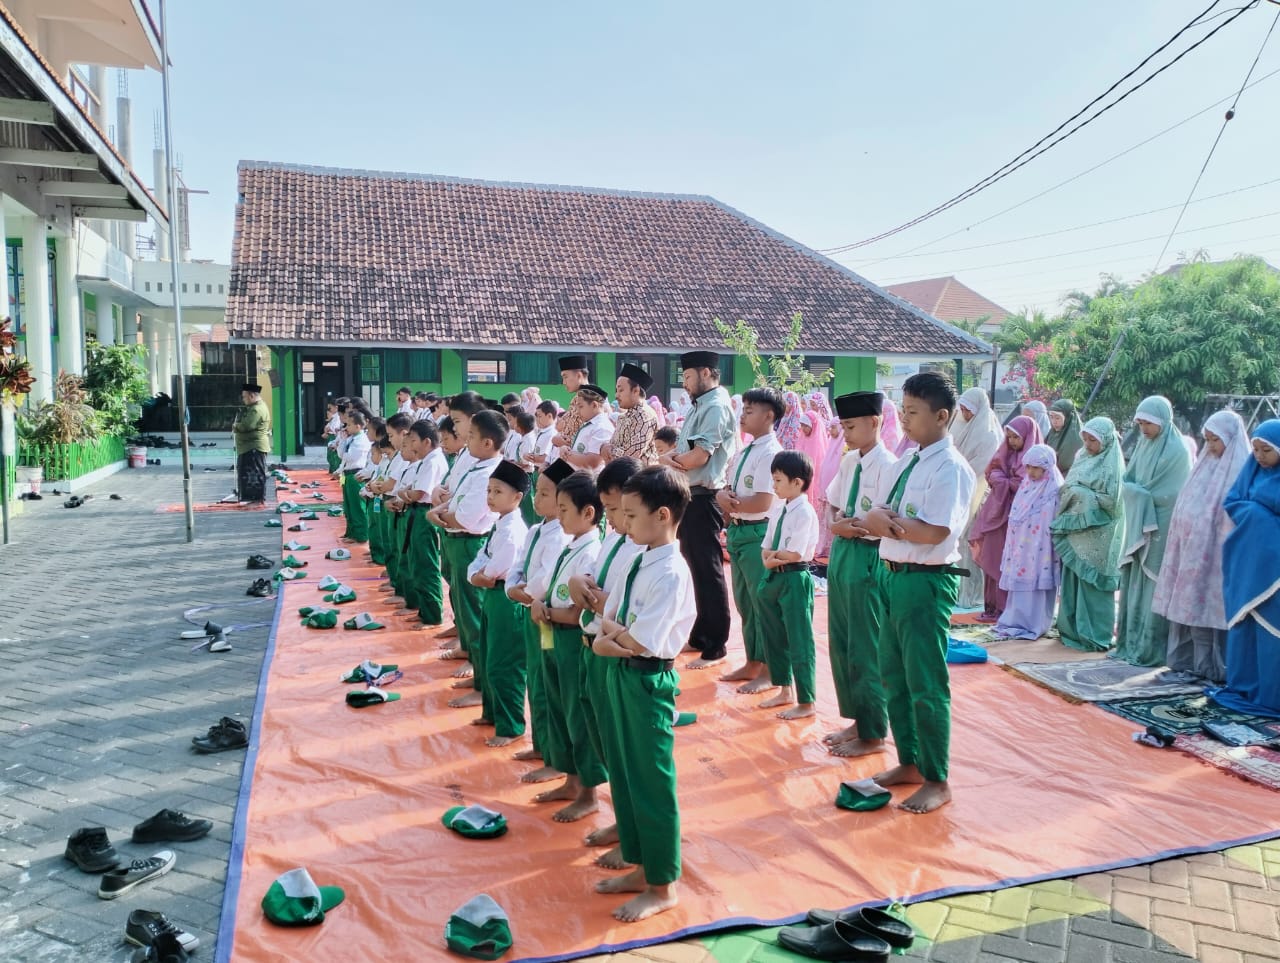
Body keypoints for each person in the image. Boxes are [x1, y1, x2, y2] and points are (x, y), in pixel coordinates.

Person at [862, 372, 974, 814]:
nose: (903, 421)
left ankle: (937, 777)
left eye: (912, 413)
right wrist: (880, 518)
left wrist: (883, 523)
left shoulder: (951, 467)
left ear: (941, 416)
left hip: (924, 581)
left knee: (926, 681)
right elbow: (888, 508)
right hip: (893, 573)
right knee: (894, 673)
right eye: (902, 411)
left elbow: (934, 532)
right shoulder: (912, 459)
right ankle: (909, 760)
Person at [592, 466, 696, 923]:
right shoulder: (638, 557)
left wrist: (609, 636)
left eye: (631, 515)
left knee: (652, 782)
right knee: (627, 772)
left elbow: (639, 639)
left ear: (664, 515)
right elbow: (612, 615)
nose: (624, 524)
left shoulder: (671, 571)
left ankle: (663, 883)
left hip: (648, 678)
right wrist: (613, 634)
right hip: (621, 672)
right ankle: (639, 862)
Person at [569, 456, 644, 869]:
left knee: (624, 749)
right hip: (594, 644)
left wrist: (603, 604)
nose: (612, 519)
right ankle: (623, 821)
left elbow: (628, 612)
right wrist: (580, 584)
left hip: (618, 656)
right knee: (601, 736)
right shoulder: (616, 539)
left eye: (618, 510)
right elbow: (592, 579)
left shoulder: (648, 552)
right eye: (610, 509)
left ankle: (637, 839)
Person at [823, 390, 897, 758]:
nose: (846, 434)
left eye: (851, 426)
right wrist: (838, 523)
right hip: (842, 555)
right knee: (842, 640)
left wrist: (851, 526)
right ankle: (857, 717)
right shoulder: (850, 461)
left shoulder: (889, 466)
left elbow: (881, 519)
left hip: (868, 556)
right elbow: (834, 503)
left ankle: (874, 731)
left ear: (875, 423)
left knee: (866, 645)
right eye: (843, 426)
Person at [1152, 409, 1249, 681]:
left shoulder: (1239, 471)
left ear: (1230, 439)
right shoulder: (1203, 466)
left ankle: (1215, 669)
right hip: (1191, 556)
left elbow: (1232, 516)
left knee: (1210, 614)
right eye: (1207, 439)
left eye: (1215, 440)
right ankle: (1191, 663)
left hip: (1217, 559)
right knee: (1189, 610)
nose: (1211, 446)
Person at [529, 470, 605, 821]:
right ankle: (572, 779)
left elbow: (578, 613)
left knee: (578, 714)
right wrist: (539, 603)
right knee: (560, 706)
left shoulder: (592, 551)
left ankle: (588, 791)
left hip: (572, 640)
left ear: (588, 512)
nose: (557, 516)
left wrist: (546, 611)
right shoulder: (571, 544)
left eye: (564, 509)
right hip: (553, 634)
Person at [659, 351, 737, 668]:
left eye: (688, 376)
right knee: (693, 569)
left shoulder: (716, 406)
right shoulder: (699, 406)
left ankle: (716, 644)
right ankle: (701, 634)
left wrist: (668, 461)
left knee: (708, 569)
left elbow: (698, 457)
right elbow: (682, 453)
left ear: (706, 373)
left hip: (705, 495)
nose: (685, 383)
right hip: (690, 493)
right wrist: (674, 460)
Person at [427, 405, 503, 691]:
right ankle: (470, 651)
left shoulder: (488, 472)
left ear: (486, 442)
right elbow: (452, 493)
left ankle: (480, 675)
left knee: (473, 608)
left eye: (468, 433)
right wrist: (440, 506)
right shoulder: (472, 461)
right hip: (454, 535)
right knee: (461, 599)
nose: (463, 438)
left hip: (469, 541)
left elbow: (468, 519)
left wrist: (437, 515)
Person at [507, 458, 573, 783]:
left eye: (547, 494)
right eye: (539, 491)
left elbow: (546, 579)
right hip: (530, 610)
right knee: (535, 677)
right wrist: (513, 587)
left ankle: (557, 756)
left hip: (545, 615)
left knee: (549, 685)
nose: (538, 499)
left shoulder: (562, 535)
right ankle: (541, 743)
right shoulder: (536, 529)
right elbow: (520, 564)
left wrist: (527, 594)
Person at [1114, 396, 1193, 667]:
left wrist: (1137, 493)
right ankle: (1129, 642)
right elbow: (1129, 481)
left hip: (1162, 528)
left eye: (1148, 423)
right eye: (1140, 423)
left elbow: (1172, 495)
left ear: (1163, 421)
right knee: (1135, 581)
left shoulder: (1177, 452)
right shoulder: (1143, 446)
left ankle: (1150, 647)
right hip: (1140, 524)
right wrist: (1135, 492)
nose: (1144, 429)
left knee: (1155, 583)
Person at [1209, 420, 1280, 717]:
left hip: (1275, 570)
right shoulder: (1251, 470)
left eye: (1267, 450)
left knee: (1271, 629)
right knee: (1244, 625)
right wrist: (1256, 513)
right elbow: (1233, 500)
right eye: (1255, 449)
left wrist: (1259, 513)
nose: (1260, 456)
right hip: (1245, 562)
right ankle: (1244, 687)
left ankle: (1271, 695)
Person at [716, 387, 784, 693]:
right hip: (740, 531)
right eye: (743, 409)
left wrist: (731, 503)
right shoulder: (747, 450)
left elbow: (761, 502)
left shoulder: (771, 453)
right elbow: (733, 490)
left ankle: (772, 670)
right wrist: (724, 498)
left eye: (750, 410)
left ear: (769, 416)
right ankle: (754, 661)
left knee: (763, 604)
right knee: (746, 602)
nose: (742, 415)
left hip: (759, 532)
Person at [752, 451, 819, 720]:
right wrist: (771, 559)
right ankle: (784, 688)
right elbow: (766, 547)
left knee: (799, 638)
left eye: (778, 480)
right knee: (774, 635)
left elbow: (793, 554)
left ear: (797, 483)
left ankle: (807, 699)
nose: (774, 486)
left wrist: (772, 559)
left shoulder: (804, 512)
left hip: (793, 577)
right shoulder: (780, 510)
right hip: (774, 576)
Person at [467, 460, 531, 746]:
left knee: (505, 664)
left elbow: (494, 570)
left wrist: (482, 575)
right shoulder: (498, 525)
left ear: (517, 498)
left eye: (497, 492)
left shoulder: (513, 531)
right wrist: (477, 576)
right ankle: (493, 713)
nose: (490, 497)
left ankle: (511, 725)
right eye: (489, 491)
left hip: (507, 599)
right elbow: (479, 562)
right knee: (489, 657)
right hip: (493, 596)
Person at [1051, 417, 1126, 652]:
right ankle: (1071, 630)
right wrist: (1073, 491)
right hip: (1077, 533)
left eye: (1093, 440)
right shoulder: (1083, 457)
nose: (1088, 444)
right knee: (1073, 581)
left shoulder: (1113, 464)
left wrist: (1081, 494)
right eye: (1086, 439)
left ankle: (1095, 634)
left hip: (1100, 535)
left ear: (1105, 440)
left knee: (1093, 584)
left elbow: (1113, 502)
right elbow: (1068, 485)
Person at [970, 416, 1042, 623]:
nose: (1011, 441)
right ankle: (992, 606)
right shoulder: (1005, 452)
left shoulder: (1036, 460)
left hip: (1018, 519)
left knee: (1009, 562)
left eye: (1015, 437)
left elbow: (1025, 484)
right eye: (1008, 437)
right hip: (996, 514)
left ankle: (1007, 608)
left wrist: (1004, 481)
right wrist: (1001, 480)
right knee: (992, 557)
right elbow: (991, 471)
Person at [994, 444, 1062, 640]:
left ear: (1047, 467)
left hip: (1041, 548)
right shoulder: (1026, 486)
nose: (1030, 472)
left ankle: (1035, 624)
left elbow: (1053, 518)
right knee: (1021, 583)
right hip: (1022, 546)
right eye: (1028, 467)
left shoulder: (1054, 489)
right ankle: (1015, 620)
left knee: (1038, 586)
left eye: (1035, 468)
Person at [949, 387, 1004, 609]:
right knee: (955, 543)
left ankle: (972, 594)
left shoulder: (989, 434)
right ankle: (957, 589)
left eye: (968, 409)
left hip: (977, 493)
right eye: (961, 408)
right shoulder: (958, 425)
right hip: (955, 490)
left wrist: (957, 471)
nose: (964, 413)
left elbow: (981, 467)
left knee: (971, 543)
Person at [391, 419, 447, 628]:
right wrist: (405, 494)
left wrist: (404, 493)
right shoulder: (426, 461)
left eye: (413, 440)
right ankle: (424, 609)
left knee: (426, 565)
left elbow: (417, 493)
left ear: (426, 441)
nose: (411, 446)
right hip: (416, 511)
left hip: (424, 513)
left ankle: (432, 615)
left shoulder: (433, 461)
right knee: (416, 562)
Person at [606, 363, 659, 464]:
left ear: (635, 390)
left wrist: (606, 450)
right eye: (616, 390)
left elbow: (630, 455)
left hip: (641, 477)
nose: (616, 395)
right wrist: (606, 448)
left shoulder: (645, 416)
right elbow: (611, 445)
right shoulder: (623, 416)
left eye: (621, 390)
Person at [559, 384, 614, 474]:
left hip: (586, 481)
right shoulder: (589, 423)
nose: (577, 410)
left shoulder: (602, 427)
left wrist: (566, 454)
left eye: (581, 406)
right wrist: (565, 449)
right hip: (573, 475)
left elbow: (592, 462)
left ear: (594, 405)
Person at [232, 383, 270, 505]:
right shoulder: (255, 407)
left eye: (244, 397)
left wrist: (235, 426)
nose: (243, 400)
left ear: (252, 395)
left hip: (253, 447)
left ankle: (254, 498)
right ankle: (249, 497)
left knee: (253, 474)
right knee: (247, 473)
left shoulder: (256, 410)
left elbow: (246, 426)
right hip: (249, 447)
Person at [337, 410, 371, 544]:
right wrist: (343, 442)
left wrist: (343, 450)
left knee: (358, 507)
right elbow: (341, 454)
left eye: (349, 425)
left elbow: (350, 457)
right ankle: (351, 532)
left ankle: (361, 535)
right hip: (347, 474)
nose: (347, 427)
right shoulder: (350, 438)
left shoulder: (362, 440)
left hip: (356, 474)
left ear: (358, 426)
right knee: (348, 506)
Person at [552, 355, 592, 458]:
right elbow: (560, 426)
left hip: (580, 458)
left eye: (565, 377)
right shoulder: (576, 399)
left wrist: (563, 443)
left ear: (578, 375)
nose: (563, 382)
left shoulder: (594, 400)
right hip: (567, 455)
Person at [1044, 398, 1084, 475]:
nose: (1054, 421)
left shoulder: (1074, 438)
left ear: (1068, 417)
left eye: (1057, 418)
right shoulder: (1052, 433)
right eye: (1051, 417)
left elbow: (1063, 465)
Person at [321, 400, 341, 472]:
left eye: (330, 408)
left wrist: (328, 428)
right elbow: (327, 427)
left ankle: (335, 471)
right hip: (331, 436)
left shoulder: (338, 416)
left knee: (334, 455)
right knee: (330, 455)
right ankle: (332, 470)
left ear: (336, 407)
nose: (329, 410)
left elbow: (335, 427)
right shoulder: (333, 416)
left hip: (335, 436)